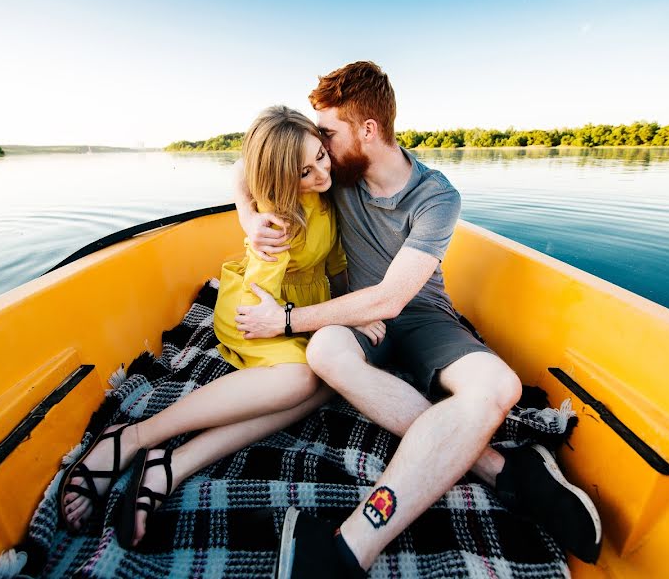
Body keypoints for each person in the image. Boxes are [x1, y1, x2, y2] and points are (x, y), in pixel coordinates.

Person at [231, 62, 602, 577]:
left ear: (368, 130)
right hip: (357, 322)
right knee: (324, 352)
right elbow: (250, 162)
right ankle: (499, 468)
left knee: (499, 386)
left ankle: (346, 548)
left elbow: (392, 298)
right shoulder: (334, 175)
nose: (320, 148)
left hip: (421, 314)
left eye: (328, 134)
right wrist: (250, 219)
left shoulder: (436, 196)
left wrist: (286, 320)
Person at [58, 105, 379, 548]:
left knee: (331, 377)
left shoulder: (328, 191)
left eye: (321, 157)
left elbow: (333, 263)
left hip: (307, 305)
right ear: (283, 179)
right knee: (301, 378)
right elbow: (263, 306)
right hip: (258, 309)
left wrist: (352, 308)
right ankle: (135, 435)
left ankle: (173, 464)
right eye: (304, 173)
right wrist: (253, 220)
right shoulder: (279, 221)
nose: (321, 174)